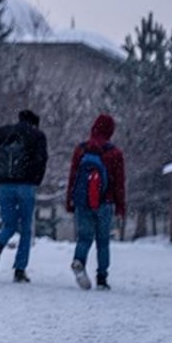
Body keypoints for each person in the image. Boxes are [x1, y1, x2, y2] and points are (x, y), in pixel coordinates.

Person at [0, 109, 49, 283]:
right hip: (26, 186)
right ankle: (19, 270)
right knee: (26, 228)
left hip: (4, 185)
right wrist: (35, 180)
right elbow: (41, 160)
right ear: (34, 122)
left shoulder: (3, 131)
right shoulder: (37, 135)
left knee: (9, 224)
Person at [66, 113, 126, 291]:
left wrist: (70, 200)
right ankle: (101, 277)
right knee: (103, 242)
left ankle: (79, 261)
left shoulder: (81, 149)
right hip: (105, 202)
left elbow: (73, 177)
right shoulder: (115, 153)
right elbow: (119, 183)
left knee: (84, 238)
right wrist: (120, 205)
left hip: (83, 202)